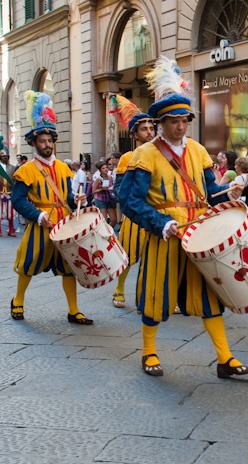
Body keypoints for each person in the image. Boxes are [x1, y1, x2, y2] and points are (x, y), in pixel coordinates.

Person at [119, 57, 248, 380]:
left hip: (199, 234)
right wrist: (159, 222)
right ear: (161, 122)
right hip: (165, 236)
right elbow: (128, 200)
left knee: (210, 295)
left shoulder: (197, 150)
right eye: (174, 120)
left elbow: (208, 189)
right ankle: (149, 352)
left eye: (184, 119)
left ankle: (225, 359)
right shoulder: (144, 155)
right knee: (156, 293)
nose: (181, 126)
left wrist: (229, 192)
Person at [10, 90, 89, 325]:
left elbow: (66, 197)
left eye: (49, 141)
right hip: (41, 223)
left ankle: (73, 310)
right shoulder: (25, 171)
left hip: (64, 223)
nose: (47, 145)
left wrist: (77, 200)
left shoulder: (65, 169)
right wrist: (37, 215)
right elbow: (18, 200)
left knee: (69, 267)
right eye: (42, 141)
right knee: (28, 263)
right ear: (33, 143)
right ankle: (18, 301)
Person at [108, 94, 156, 309]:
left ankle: (151, 293)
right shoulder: (127, 158)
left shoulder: (161, 155)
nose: (149, 132)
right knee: (129, 255)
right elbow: (119, 188)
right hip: (135, 216)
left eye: (151, 128)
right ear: (135, 134)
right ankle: (119, 288)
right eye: (144, 129)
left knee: (156, 257)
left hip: (157, 214)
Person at [0, 138, 17, 237]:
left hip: (9, 191)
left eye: (6, 156)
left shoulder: (12, 167)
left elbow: (15, 178)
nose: (5, 158)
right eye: (3, 156)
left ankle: (11, 230)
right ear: (0, 157)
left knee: (10, 213)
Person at [90, 162, 117, 228]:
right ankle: (105, 232)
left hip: (109, 198)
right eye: (103, 168)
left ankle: (109, 230)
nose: (105, 169)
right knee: (104, 219)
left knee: (113, 219)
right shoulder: (98, 179)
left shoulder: (110, 177)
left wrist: (111, 188)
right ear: (100, 170)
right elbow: (93, 191)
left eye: (106, 167)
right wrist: (101, 189)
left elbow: (112, 186)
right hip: (100, 199)